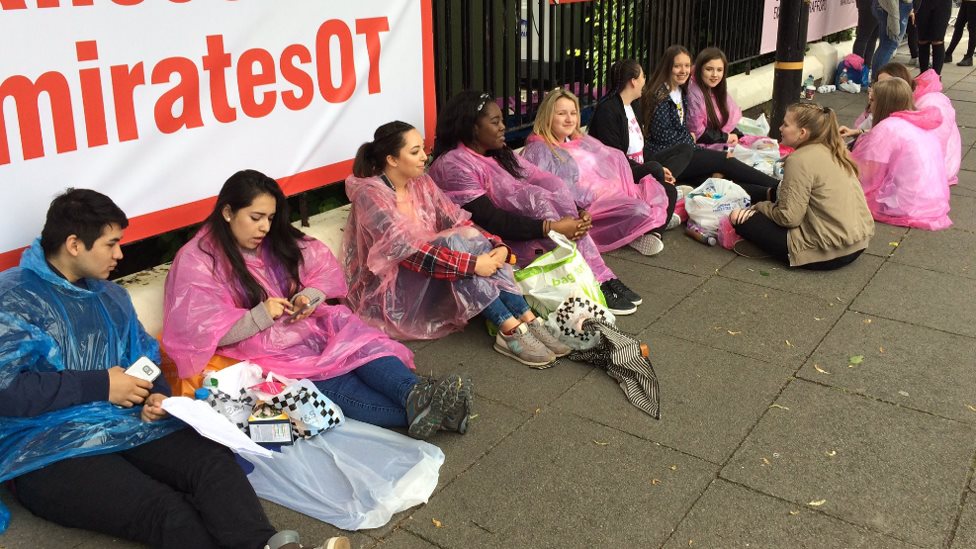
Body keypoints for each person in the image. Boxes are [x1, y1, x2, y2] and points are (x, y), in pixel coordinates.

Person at [0, 189, 348, 549]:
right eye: (111, 244)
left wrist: (158, 396)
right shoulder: (13, 299)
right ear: (74, 244)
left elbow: (145, 360)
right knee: (165, 510)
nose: (120, 255)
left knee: (212, 464)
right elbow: (6, 391)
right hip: (46, 449)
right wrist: (101, 385)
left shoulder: (109, 297)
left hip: (125, 421)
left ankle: (263, 544)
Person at [162, 170, 472, 439]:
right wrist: (261, 315)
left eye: (270, 218)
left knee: (360, 345)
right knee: (335, 378)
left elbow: (320, 270)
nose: (265, 228)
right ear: (227, 212)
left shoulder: (272, 239)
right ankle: (437, 410)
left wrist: (307, 297)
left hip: (305, 325)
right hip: (261, 351)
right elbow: (199, 334)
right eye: (255, 218)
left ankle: (416, 395)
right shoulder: (196, 260)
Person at [344, 121, 569, 368]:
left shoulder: (421, 183)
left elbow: (457, 219)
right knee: (455, 242)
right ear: (392, 159)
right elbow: (407, 253)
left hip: (436, 269)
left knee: (466, 238)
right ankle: (508, 328)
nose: (424, 156)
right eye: (415, 151)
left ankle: (526, 318)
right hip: (391, 290)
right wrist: (473, 264)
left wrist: (496, 245)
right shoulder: (371, 195)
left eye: (423, 148)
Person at [428, 90, 642, 316]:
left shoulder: (498, 153)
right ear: (472, 127)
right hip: (493, 241)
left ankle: (601, 276)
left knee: (553, 189)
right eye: (495, 122)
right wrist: (552, 228)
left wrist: (577, 212)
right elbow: (491, 220)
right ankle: (593, 280)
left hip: (529, 229)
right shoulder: (454, 164)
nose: (503, 127)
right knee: (537, 201)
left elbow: (542, 179)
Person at [522, 88, 671, 256]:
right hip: (584, 210)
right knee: (640, 208)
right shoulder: (539, 149)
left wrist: (613, 184)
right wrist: (591, 196)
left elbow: (607, 163)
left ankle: (652, 222)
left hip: (607, 197)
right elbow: (553, 192)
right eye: (562, 114)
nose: (569, 119)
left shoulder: (578, 141)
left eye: (573, 113)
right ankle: (641, 230)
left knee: (664, 190)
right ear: (548, 116)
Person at [728, 104, 875, 270]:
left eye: (786, 124)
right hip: (857, 244)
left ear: (802, 133)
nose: (780, 128)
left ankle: (772, 247)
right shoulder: (835, 149)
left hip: (827, 253)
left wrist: (760, 207)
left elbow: (789, 218)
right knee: (775, 192)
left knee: (737, 216)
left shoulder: (799, 160)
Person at [639, 45, 781, 204]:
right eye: (677, 66)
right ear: (668, 67)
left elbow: (681, 131)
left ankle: (769, 193)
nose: (683, 70)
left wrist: (690, 139)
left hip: (683, 151)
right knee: (725, 159)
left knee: (714, 181)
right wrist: (691, 139)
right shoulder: (660, 96)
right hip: (667, 156)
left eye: (686, 66)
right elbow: (663, 135)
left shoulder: (681, 90)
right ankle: (780, 187)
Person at [586, 58, 695, 244]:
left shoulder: (633, 104)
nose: (645, 81)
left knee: (684, 149)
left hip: (639, 164)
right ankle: (654, 231)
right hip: (620, 174)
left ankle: (659, 205)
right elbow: (615, 160)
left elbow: (641, 149)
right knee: (665, 186)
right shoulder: (608, 111)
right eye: (643, 76)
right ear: (633, 81)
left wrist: (658, 167)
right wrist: (654, 169)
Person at [850, 78, 952, 229]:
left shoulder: (887, 128)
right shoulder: (917, 121)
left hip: (904, 204)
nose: (870, 106)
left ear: (883, 103)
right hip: (930, 200)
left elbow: (868, 174)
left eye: (872, 100)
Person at [841, 63, 960, 185]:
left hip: (931, 174)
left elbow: (868, 170)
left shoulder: (928, 104)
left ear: (900, 85)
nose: (879, 89)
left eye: (888, 83)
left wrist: (839, 151)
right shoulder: (900, 116)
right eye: (878, 84)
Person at [687, 48, 744, 152]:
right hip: (701, 148)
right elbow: (697, 133)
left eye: (719, 70)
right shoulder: (694, 94)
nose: (715, 75)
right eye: (709, 69)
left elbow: (725, 121)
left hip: (718, 141)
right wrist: (727, 137)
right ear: (700, 69)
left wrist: (736, 134)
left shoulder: (715, 89)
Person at [872, 0, 915, 76]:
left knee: (885, 45)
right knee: (889, 44)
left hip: (885, 5)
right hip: (895, 5)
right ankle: (878, 80)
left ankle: (876, 79)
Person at [914, 0, 953, 73]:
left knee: (938, 39)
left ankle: (936, 76)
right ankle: (923, 74)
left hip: (942, 4)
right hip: (922, 3)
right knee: (922, 39)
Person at [854, 0, 882, 85]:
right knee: (864, 38)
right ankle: (859, 71)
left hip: (876, 6)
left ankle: (864, 71)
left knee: (869, 38)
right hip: (871, 5)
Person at [946, 0, 976, 66]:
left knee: (972, 29)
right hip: (966, 1)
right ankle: (948, 54)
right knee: (958, 26)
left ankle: (969, 56)